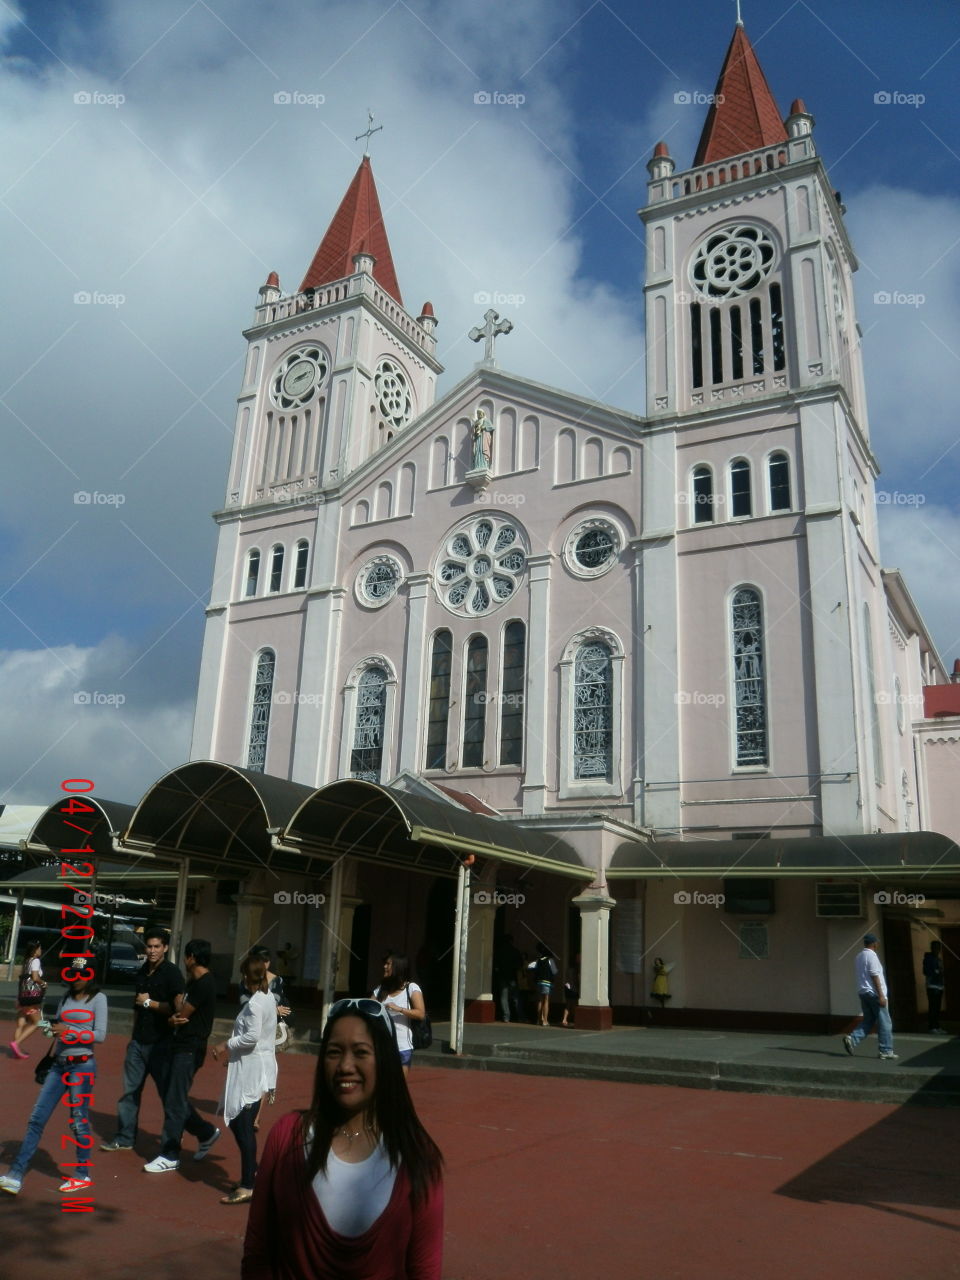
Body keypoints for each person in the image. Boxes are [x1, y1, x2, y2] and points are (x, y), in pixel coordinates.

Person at [241, 997, 443, 1279]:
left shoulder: (417, 1156)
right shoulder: (287, 1136)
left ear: (385, 1060)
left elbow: (424, 1270)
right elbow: (257, 1252)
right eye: (334, 1052)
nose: (345, 1065)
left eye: (361, 1052)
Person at [0, 960, 108, 1195]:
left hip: (82, 1066)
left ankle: (82, 1174)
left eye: (81, 974)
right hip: (59, 1066)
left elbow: (99, 1035)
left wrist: (70, 1031)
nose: (76, 978)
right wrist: (40, 1021)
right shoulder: (66, 998)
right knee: (36, 1118)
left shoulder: (98, 999)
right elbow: (55, 1030)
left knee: (78, 1120)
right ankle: (15, 1174)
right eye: (73, 973)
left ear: (90, 975)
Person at [100, 926, 185, 1152]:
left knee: (166, 1094)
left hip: (161, 1043)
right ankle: (125, 1137)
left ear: (165, 948)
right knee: (129, 1092)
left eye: (157, 946)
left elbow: (178, 1008)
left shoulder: (172, 973)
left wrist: (150, 1003)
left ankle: (172, 1141)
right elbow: (136, 1007)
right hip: (138, 1042)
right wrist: (133, 1036)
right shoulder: (141, 972)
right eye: (149, 946)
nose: (152, 951)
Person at [144, 938, 221, 1172]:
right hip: (181, 1045)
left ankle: (170, 1152)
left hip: (190, 1048)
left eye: (186, 956)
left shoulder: (203, 984)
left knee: (175, 1100)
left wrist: (174, 1015)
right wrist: (174, 1016)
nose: (185, 961)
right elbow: (177, 1013)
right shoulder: (194, 981)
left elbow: (182, 1012)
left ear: (192, 957)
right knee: (172, 1094)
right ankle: (205, 1132)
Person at [212, 954, 277, 1204]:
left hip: (252, 1069)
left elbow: (251, 1037)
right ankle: (253, 1172)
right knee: (242, 1124)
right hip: (255, 1065)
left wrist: (224, 1044)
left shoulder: (256, 1004)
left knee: (243, 1124)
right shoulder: (266, 998)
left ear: (245, 977)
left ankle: (250, 1182)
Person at [842, 933, 897, 1060]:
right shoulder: (871, 956)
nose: (878, 944)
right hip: (874, 994)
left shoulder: (859, 956)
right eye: (877, 942)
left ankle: (852, 1039)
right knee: (885, 1023)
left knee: (868, 1020)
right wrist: (881, 995)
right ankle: (886, 1050)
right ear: (874, 944)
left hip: (863, 993)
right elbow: (874, 975)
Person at [373, 952, 426, 1074]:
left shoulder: (411, 988)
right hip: (381, 1046)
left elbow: (420, 1014)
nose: (384, 967)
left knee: (399, 1087)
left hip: (402, 1047)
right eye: (385, 964)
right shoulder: (381, 989)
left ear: (398, 967)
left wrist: (399, 1009)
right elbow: (368, 1008)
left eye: (388, 964)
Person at [10, 938, 46, 1058]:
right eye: (40, 948)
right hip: (31, 997)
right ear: (35, 950)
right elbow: (35, 977)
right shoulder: (35, 961)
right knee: (37, 1022)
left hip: (23, 996)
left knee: (21, 1024)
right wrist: (43, 983)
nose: (41, 950)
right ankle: (16, 1043)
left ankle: (16, 1049)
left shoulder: (26, 961)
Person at [493, 933, 522, 1023]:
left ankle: (506, 1017)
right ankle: (519, 1016)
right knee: (516, 997)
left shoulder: (499, 951)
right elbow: (520, 965)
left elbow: (496, 966)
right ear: (512, 941)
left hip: (502, 976)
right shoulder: (515, 951)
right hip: (512, 976)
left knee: (503, 997)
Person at [528, 945, 557, 1027]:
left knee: (540, 1000)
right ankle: (545, 1020)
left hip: (539, 982)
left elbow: (530, 966)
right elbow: (554, 971)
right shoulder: (550, 960)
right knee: (546, 1000)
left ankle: (538, 1019)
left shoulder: (538, 960)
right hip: (547, 982)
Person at [923, 939, 947, 1034]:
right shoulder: (928, 959)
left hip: (939, 985)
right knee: (933, 1007)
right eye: (935, 948)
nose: (937, 950)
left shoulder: (939, 959)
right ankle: (932, 1027)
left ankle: (937, 1026)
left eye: (938, 948)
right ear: (932, 948)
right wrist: (935, 972)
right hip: (932, 986)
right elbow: (926, 971)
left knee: (937, 1007)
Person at [561, 954, 580, 1028]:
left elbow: (567, 978)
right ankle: (576, 1019)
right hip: (573, 989)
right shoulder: (575, 970)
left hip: (567, 988)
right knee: (574, 1005)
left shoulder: (568, 969)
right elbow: (575, 980)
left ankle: (564, 1019)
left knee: (568, 1004)